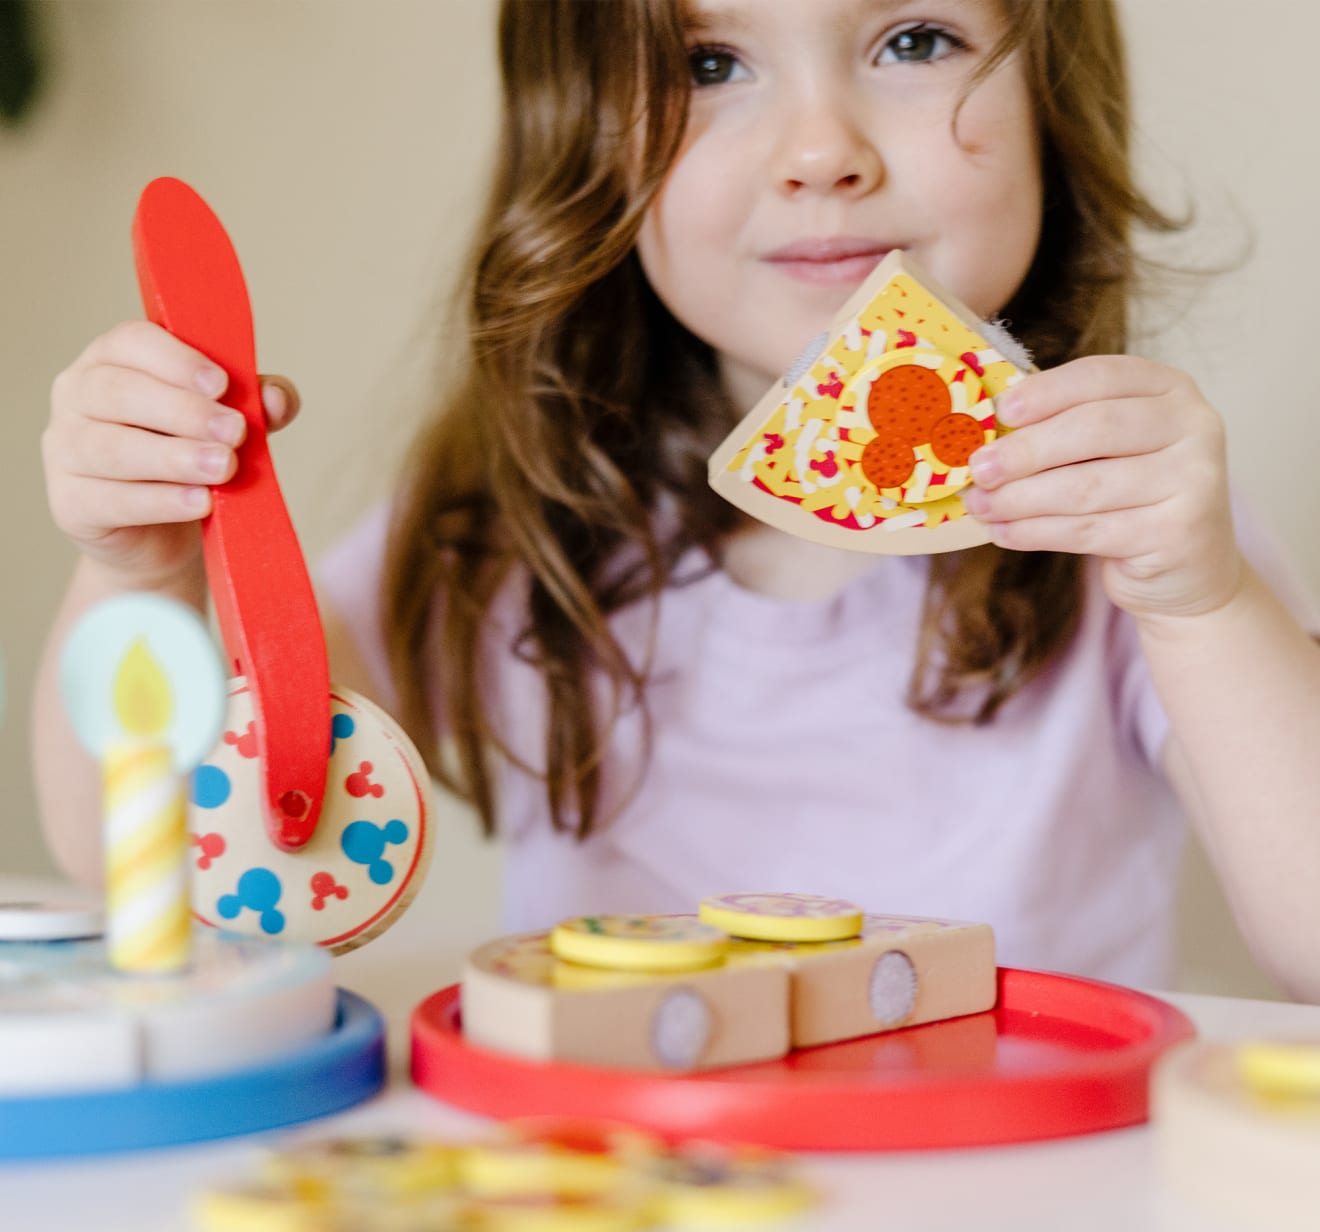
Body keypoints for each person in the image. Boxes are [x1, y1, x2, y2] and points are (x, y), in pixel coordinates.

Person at [32, 0, 1320, 997]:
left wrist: (1202, 604)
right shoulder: (509, 519)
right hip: (620, 1213)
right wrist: (144, 577)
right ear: (585, 138)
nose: (822, 152)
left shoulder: (1131, 528)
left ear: (1056, 101)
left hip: (1039, 1218)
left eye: (914, 39)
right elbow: (152, 875)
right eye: (710, 64)